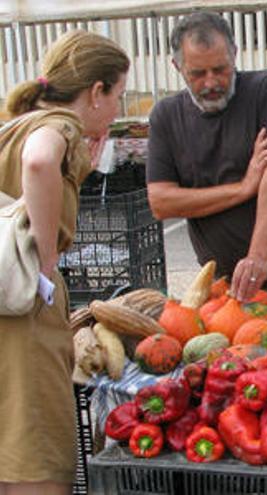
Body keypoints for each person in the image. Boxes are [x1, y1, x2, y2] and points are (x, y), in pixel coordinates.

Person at [0, 31, 129, 494]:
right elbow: (38, 163)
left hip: (5, 312)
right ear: (96, 92)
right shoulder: (59, 126)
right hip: (26, 321)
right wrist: (46, 252)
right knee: (36, 462)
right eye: (117, 94)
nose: (118, 109)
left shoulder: (16, 122)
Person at [147, 12, 267, 305]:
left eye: (220, 69)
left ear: (235, 54)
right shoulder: (166, 116)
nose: (211, 82)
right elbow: (161, 202)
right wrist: (243, 188)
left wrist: (257, 258)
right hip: (225, 290)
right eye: (197, 74)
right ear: (177, 66)